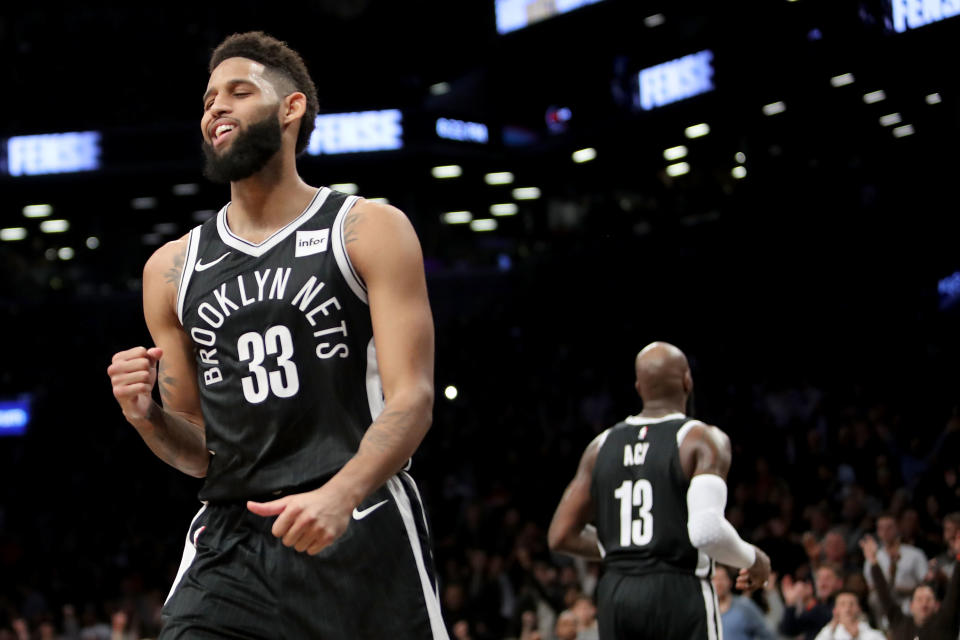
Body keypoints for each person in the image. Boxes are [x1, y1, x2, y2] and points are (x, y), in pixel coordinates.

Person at [106, 31, 447, 639]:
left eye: (239, 92)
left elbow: (413, 401)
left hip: (358, 521)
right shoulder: (171, 269)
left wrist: (340, 495)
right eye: (209, 99)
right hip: (232, 542)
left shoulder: (368, 229)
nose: (216, 108)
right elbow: (200, 451)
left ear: (292, 109)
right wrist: (147, 418)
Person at [546, 341, 771, 639]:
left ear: (639, 387)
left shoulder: (599, 447)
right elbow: (707, 531)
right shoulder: (701, 438)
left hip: (616, 593)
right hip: (678, 590)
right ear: (687, 380)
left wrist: (623, 546)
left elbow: (560, 535)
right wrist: (754, 559)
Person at [860, 531, 960, 640]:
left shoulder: (945, 622)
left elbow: (954, 591)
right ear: (911, 606)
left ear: (936, 605)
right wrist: (874, 561)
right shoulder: (900, 622)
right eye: (919, 599)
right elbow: (884, 596)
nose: (924, 603)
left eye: (928, 599)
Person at [862, 512, 928, 615]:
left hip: (909, 597)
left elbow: (924, 582)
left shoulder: (915, 553)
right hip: (884, 600)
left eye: (889, 528)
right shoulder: (873, 556)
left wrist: (903, 590)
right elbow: (871, 586)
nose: (885, 532)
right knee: (874, 598)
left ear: (898, 528)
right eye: (881, 528)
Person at [778, 565, 845, 640]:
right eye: (819, 578)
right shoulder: (815, 604)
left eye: (827, 578)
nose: (822, 583)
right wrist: (790, 604)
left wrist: (809, 601)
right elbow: (789, 631)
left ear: (839, 583)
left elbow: (827, 618)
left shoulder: (845, 602)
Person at [713, 564, 776, 640]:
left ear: (730, 582)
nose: (718, 583)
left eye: (722, 579)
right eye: (714, 579)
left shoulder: (744, 606)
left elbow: (767, 634)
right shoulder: (706, 610)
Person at [811, 591, 885, 640]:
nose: (848, 608)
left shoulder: (873, 635)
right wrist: (832, 626)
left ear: (859, 609)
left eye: (852, 604)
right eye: (843, 604)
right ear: (835, 610)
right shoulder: (828, 634)